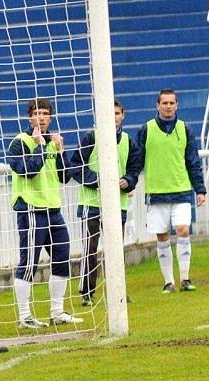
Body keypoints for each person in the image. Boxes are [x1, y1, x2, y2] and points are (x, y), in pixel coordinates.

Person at [7, 98, 83, 328]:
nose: (41, 117)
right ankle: (24, 316)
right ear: (29, 118)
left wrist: (61, 151)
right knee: (28, 263)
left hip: (53, 210)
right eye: (36, 113)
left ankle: (57, 312)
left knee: (62, 258)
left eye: (45, 113)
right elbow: (26, 171)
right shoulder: (19, 142)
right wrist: (40, 145)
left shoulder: (53, 142)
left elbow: (64, 176)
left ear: (51, 117)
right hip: (31, 209)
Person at [130, 89, 206, 294]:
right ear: (157, 105)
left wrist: (200, 189)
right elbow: (137, 160)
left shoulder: (185, 129)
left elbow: (193, 161)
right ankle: (168, 282)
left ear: (177, 105)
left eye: (172, 103)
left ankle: (185, 278)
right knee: (162, 236)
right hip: (156, 194)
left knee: (182, 230)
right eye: (164, 103)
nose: (168, 106)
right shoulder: (147, 129)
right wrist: (131, 182)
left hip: (181, 191)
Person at [72, 98, 137, 306]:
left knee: (116, 249)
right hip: (92, 203)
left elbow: (135, 169)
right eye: (110, 114)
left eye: (117, 113)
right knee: (90, 248)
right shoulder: (92, 137)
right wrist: (96, 180)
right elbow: (75, 165)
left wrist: (127, 181)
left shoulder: (129, 141)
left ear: (123, 115)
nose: (114, 118)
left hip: (118, 204)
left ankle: (118, 291)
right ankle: (86, 292)